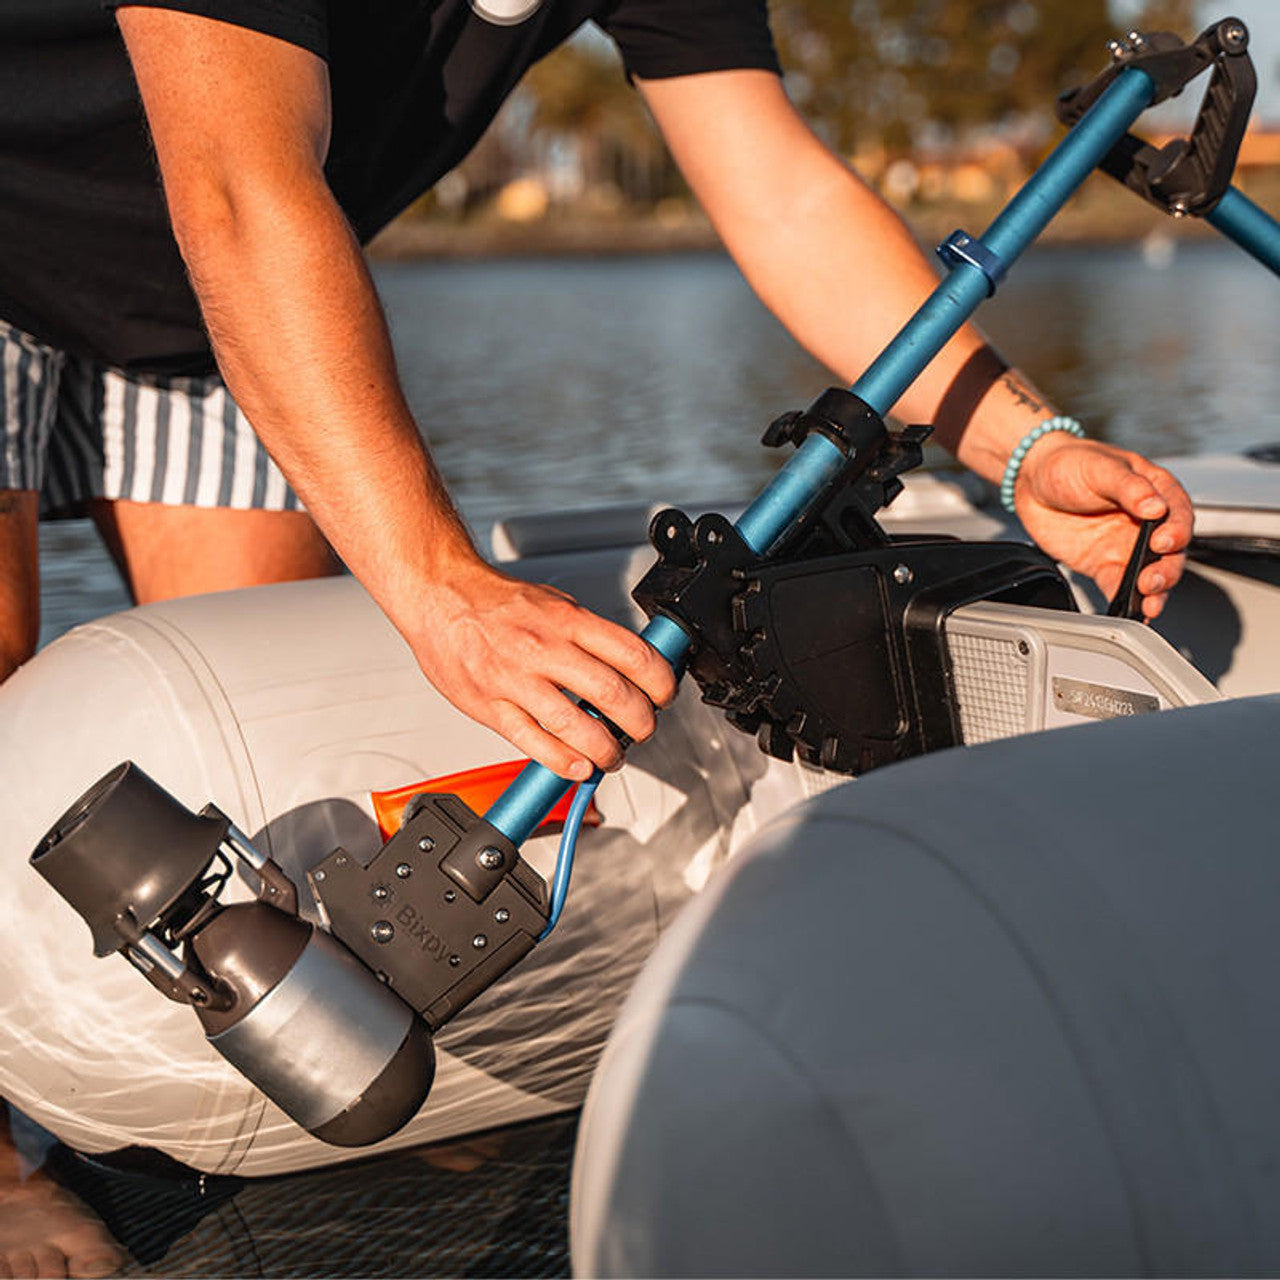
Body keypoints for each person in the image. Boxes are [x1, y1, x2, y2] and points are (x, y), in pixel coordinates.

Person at [0, 1, 1193, 1274]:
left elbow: (776, 184)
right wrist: (440, 587)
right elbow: (239, 186)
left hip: (196, 311)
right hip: (172, 208)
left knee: (235, 744)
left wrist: (1022, 446)